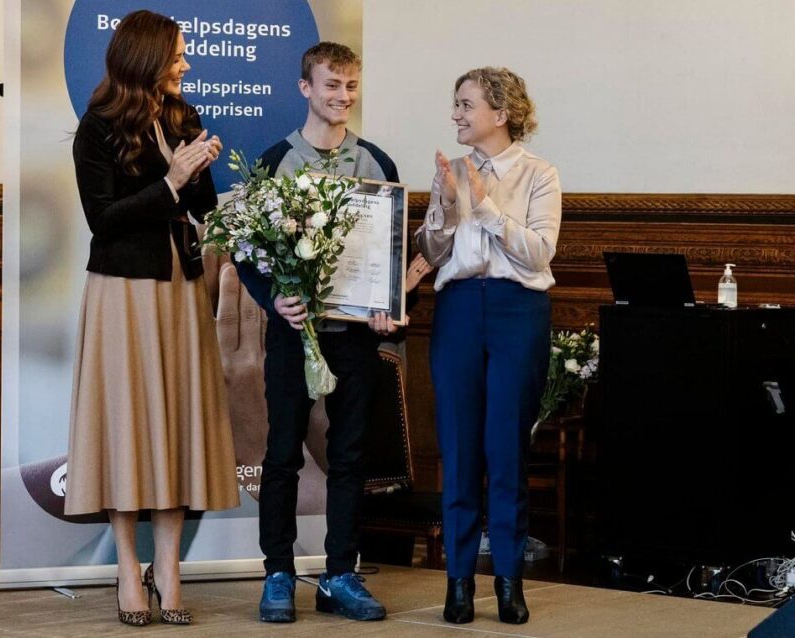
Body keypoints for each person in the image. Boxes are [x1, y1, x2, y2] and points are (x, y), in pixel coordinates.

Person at [63, 10, 239, 627]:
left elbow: (205, 207)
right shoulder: (97, 127)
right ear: (144, 60)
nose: (185, 65)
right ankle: (126, 572)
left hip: (181, 288)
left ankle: (168, 568)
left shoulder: (182, 116)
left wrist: (193, 172)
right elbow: (103, 220)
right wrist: (171, 179)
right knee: (131, 423)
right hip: (123, 291)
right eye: (176, 56)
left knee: (174, 424)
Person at [233, 41, 401, 624]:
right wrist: (273, 299)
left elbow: (389, 252)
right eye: (332, 86)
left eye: (351, 86)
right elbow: (248, 250)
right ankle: (278, 573)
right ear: (305, 88)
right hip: (293, 334)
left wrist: (386, 307)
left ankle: (339, 576)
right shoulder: (276, 159)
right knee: (282, 454)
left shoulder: (377, 162)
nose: (343, 97)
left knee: (350, 456)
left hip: (354, 337)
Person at [416, 67, 561, 625]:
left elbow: (539, 254)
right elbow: (431, 249)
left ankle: (507, 580)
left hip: (516, 312)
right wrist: (447, 206)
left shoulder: (539, 173)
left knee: (505, 450)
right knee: (457, 446)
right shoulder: (450, 170)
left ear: (499, 114)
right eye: (455, 104)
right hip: (456, 310)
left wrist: (486, 204)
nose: (455, 113)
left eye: (465, 104)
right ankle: (457, 582)